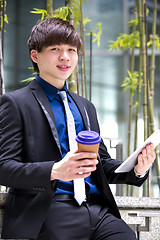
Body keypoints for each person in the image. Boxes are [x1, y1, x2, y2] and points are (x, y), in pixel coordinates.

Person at [0, 17, 156, 240]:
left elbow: (100, 165)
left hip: (97, 211)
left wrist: (137, 167)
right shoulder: (16, 103)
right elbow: (4, 167)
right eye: (55, 49)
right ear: (35, 55)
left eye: (71, 50)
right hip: (50, 210)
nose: (65, 56)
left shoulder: (85, 107)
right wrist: (55, 170)